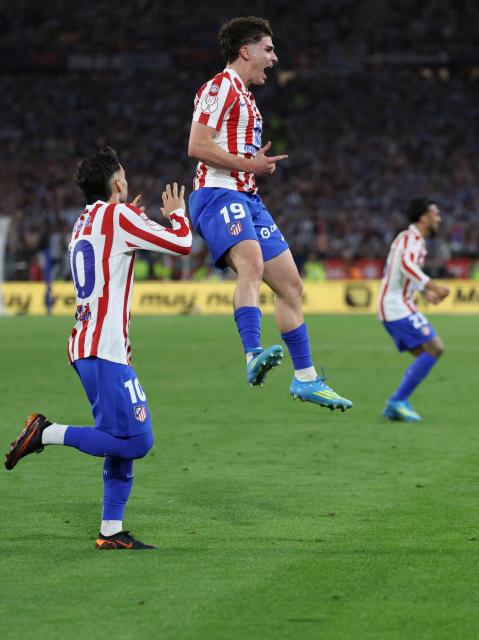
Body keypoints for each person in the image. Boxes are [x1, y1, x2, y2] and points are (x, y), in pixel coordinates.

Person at [4, 147, 192, 549]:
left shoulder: (84, 222)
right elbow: (182, 243)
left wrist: (132, 216)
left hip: (90, 346)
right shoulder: (118, 216)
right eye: (123, 175)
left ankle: (111, 531)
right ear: (118, 183)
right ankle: (46, 432)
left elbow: (112, 251)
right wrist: (177, 212)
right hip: (103, 350)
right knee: (137, 440)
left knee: (119, 437)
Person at [187, 16, 352, 411]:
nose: (275, 58)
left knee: (292, 286)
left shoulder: (246, 98)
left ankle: (306, 379)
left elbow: (238, 152)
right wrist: (250, 166)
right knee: (253, 264)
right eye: (268, 49)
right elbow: (197, 145)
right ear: (246, 51)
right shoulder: (219, 87)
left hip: (248, 198)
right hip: (217, 192)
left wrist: (254, 165)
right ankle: (252, 354)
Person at [377, 197, 450, 422]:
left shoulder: (414, 240)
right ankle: (397, 401)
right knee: (435, 348)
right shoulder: (411, 238)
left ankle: (398, 402)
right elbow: (406, 265)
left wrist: (424, 292)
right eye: (435, 213)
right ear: (423, 217)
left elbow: (404, 273)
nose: (439, 218)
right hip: (396, 306)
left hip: (400, 304)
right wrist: (433, 285)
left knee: (426, 355)